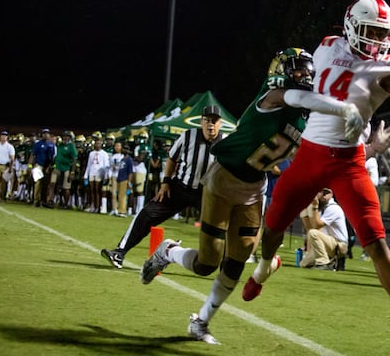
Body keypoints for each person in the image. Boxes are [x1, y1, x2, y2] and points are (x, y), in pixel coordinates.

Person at [245, 0, 390, 352]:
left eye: (382, 34)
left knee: (376, 241)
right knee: (274, 224)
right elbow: (305, 85)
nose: (375, 41)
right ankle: (264, 267)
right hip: (309, 153)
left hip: (349, 162)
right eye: (370, 31)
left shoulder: (388, 65)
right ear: (351, 24)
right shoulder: (326, 46)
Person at [139, 48, 367, 345]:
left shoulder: (308, 118)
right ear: (280, 71)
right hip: (223, 178)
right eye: (297, 69)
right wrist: (343, 107)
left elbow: (332, 149)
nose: (305, 75)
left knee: (237, 260)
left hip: (254, 187)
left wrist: (369, 144)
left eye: (308, 70)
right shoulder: (273, 96)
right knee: (208, 262)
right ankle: (167, 251)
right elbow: (299, 98)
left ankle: (202, 321)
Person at [100, 105, 224, 269]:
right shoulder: (188, 136)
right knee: (147, 214)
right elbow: (172, 158)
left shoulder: (226, 143)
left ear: (220, 123)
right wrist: (166, 182)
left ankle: (227, 267)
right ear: (201, 122)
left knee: (221, 230)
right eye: (207, 120)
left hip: (207, 193)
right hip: (180, 187)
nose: (210, 125)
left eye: (214, 121)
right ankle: (119, 252)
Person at [299, 188, 348, 269]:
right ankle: (332, 262)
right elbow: (310, 228)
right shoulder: (322, 207)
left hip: (338, 244)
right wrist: (304, 213)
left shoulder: (333, 208)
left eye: (319, 192)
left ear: (329, 194)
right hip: (327, 243)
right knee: (303, 264)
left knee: (313, 233)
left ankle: (324, 262)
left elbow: (316, 226)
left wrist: (314, 206)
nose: (317, 195)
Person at [45, 130, 78, 209]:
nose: (65, 138)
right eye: (64, 136)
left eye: (67, 136)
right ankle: (51, 200)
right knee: (52, 184)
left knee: (66, 188)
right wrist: (50, 166)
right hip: (57, 167)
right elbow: (57, 156)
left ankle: (66, 203)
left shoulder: (71, 146)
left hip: (66, 168)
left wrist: (72, 171)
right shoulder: (60, 145)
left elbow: (74, 159)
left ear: (69, 138)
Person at [29, 128, 56, 207]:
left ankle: (43, 201)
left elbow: (53, 157)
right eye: (44, 133)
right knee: (37, 183)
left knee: (46, 184)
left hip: (47, 166)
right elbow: (33, 155)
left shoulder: (51, 145)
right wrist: (30, 165)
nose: (46, 135)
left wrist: (50, 167)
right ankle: (36, 200)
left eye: (47, 133)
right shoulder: (38, 144)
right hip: (39, 165)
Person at [83, 139, 109, 213]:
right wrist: (86, 175)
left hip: (99, 173)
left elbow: (106, 165)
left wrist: (106, 175)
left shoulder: (104, 154)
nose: (97, 145)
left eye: (99, 144)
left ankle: (98, 206)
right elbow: (89, 164)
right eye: (96, 144)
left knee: (98, 190)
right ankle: (93, 205)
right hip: (92, 172)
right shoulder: (91, 153)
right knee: (91, 190)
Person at [0, 130, 15, 202]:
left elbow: (12, 158)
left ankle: (2, 197)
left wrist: (10, 167)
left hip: (5, 166)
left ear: (7, 137)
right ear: (0, 136)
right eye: (2, 135)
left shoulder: (10, 147)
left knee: (4, 183)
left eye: (5, 136)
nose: (3, 137)